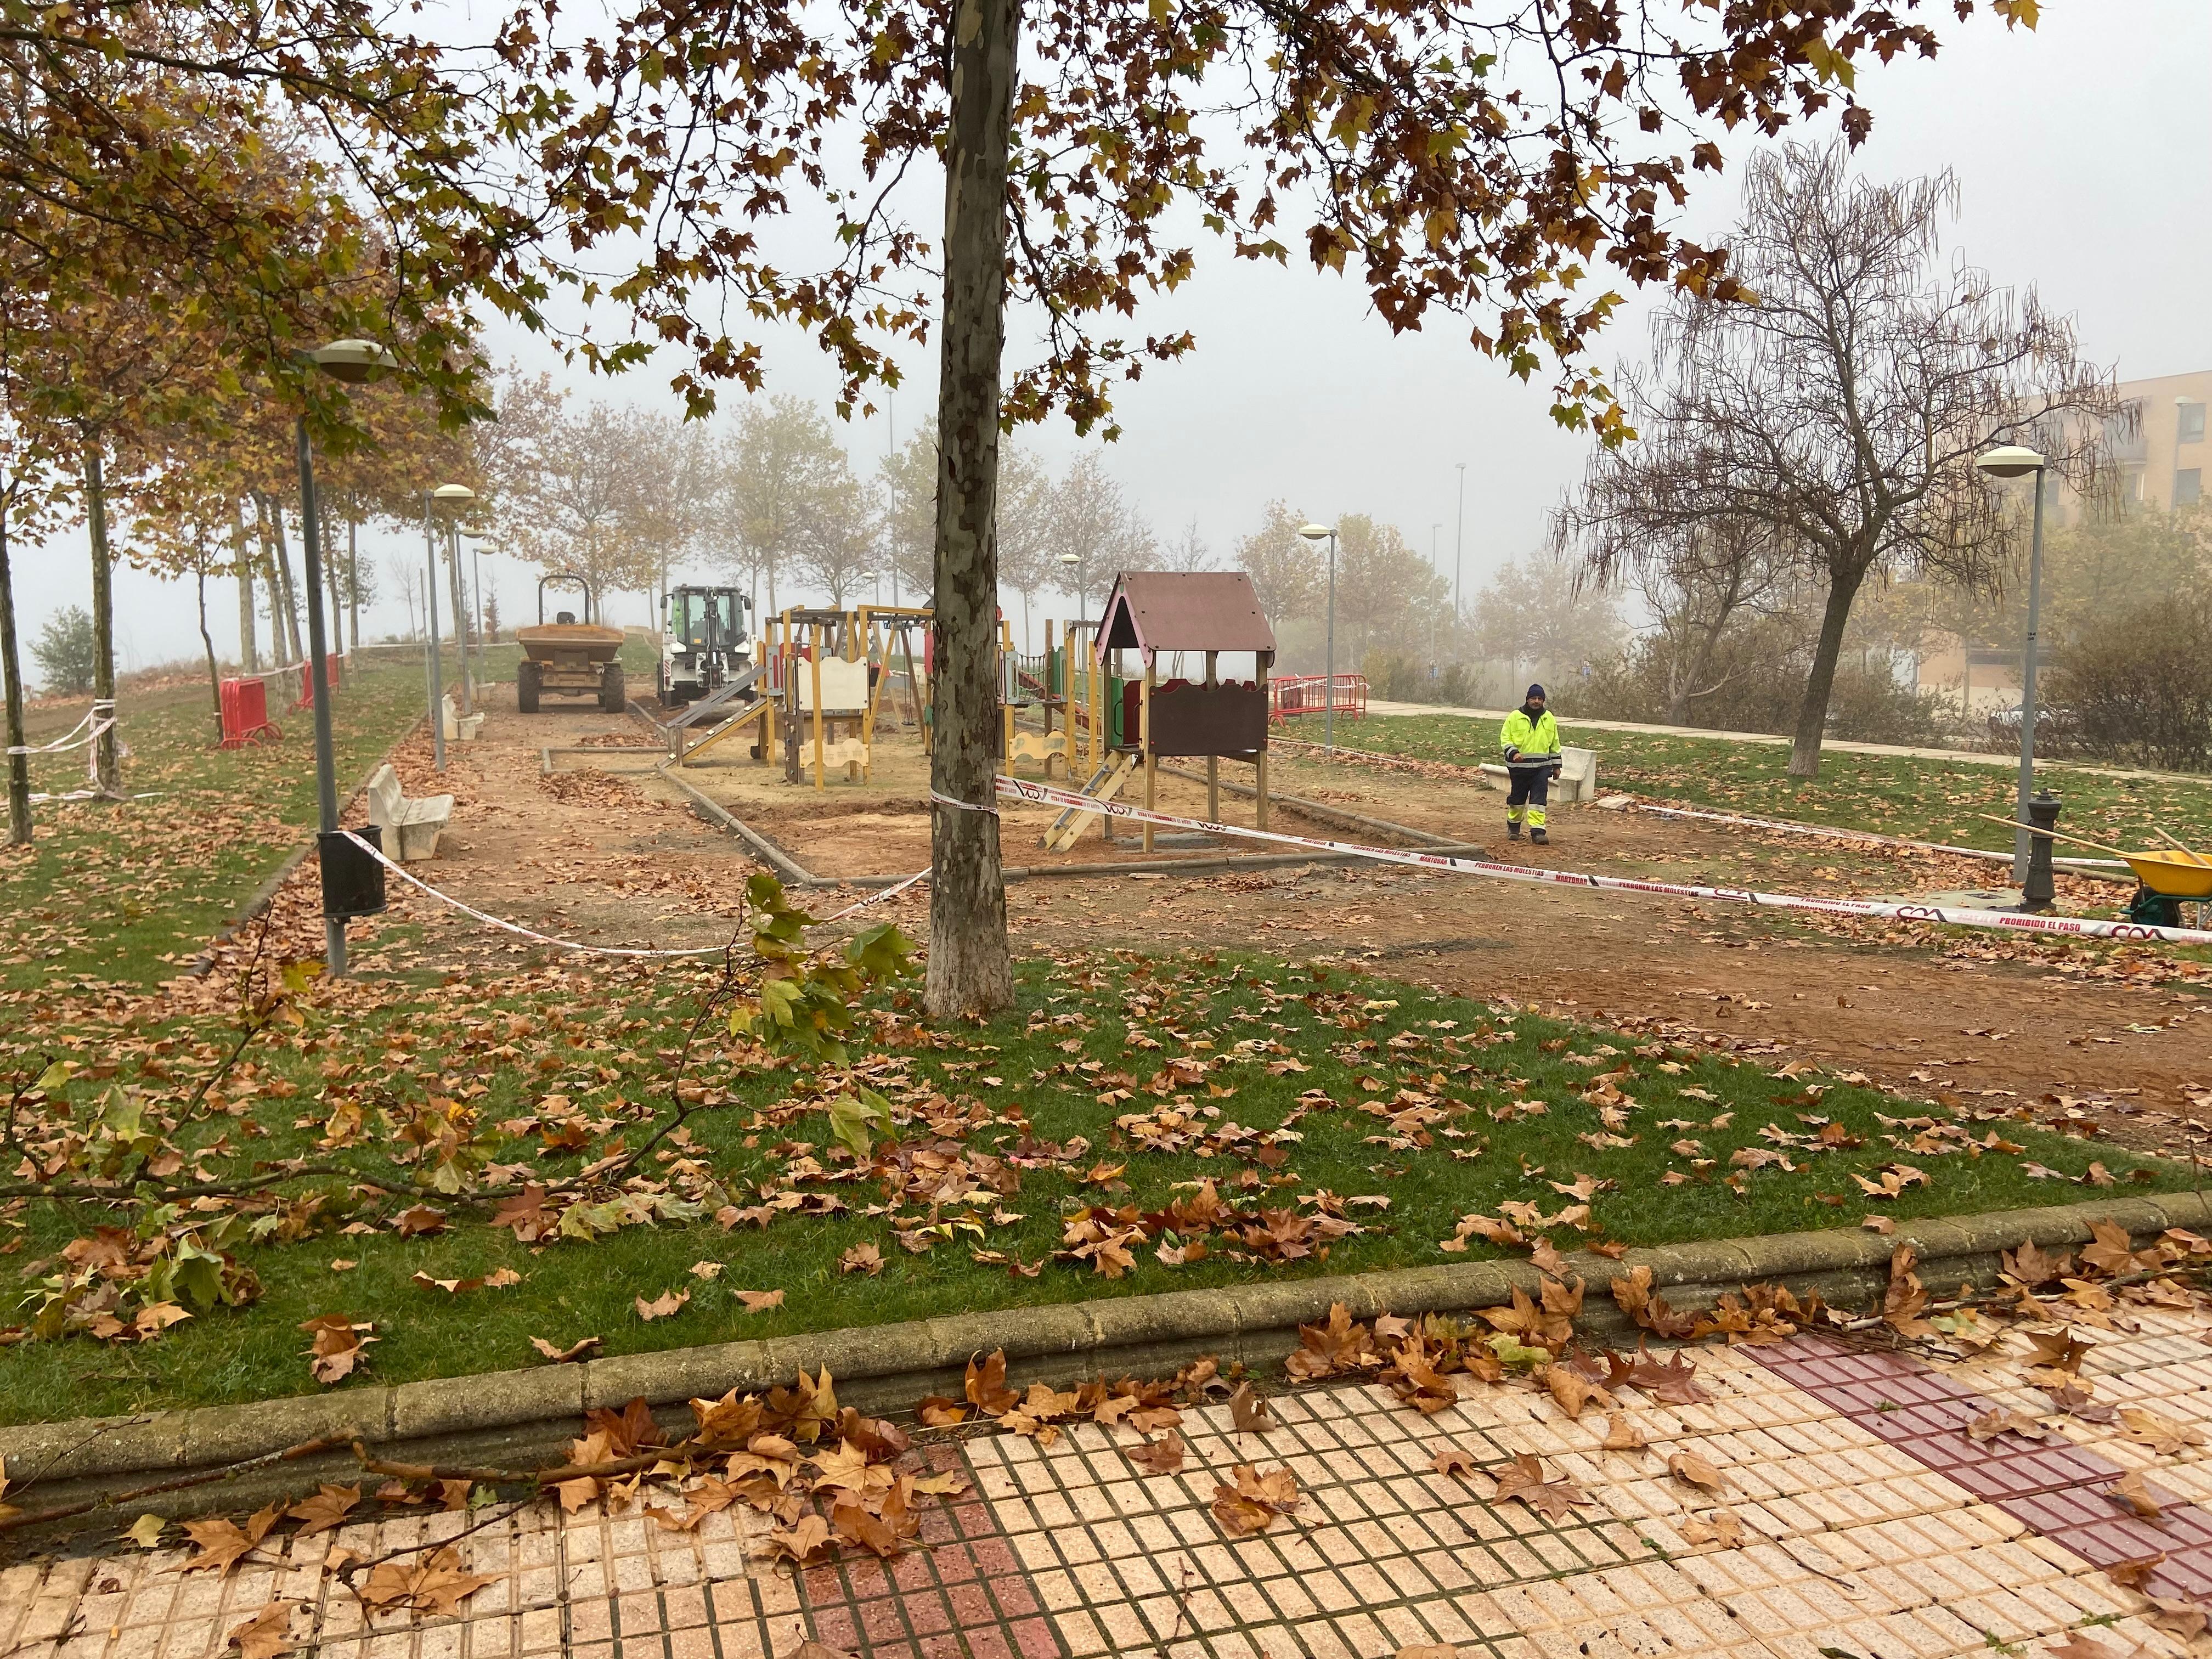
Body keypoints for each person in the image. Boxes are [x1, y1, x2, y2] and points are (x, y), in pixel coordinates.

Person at [1499, 683, 1562, 844]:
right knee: (1517, 800)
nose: (1536, 701)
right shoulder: (1514, 717)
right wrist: (1514, 753)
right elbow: (1505, 738)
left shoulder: (1549, 718)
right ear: (1527, 700)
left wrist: (1557, 766)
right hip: (1519, 768)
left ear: (1543, 701)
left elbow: (1554, 743)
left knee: (1538, 801)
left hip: (1542, 769)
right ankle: (1514, 827)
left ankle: (1538, 832)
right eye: (1533, 698)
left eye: (1540, 699)